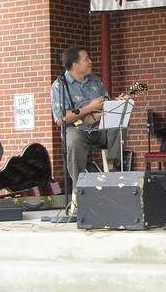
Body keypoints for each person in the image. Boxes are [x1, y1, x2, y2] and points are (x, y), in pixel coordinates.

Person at [50, 46, 124, 209]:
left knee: (117, 126)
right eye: (86, 59)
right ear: (75, 65)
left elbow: (106, 106)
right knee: (74, 141)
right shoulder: (59, 86)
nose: (91, 62)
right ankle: (79, 190)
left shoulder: (95, 82)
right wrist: (89, 108)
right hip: (76, 130)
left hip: (98, 127)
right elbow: (61, 118)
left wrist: (116, 103)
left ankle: (113, 172)